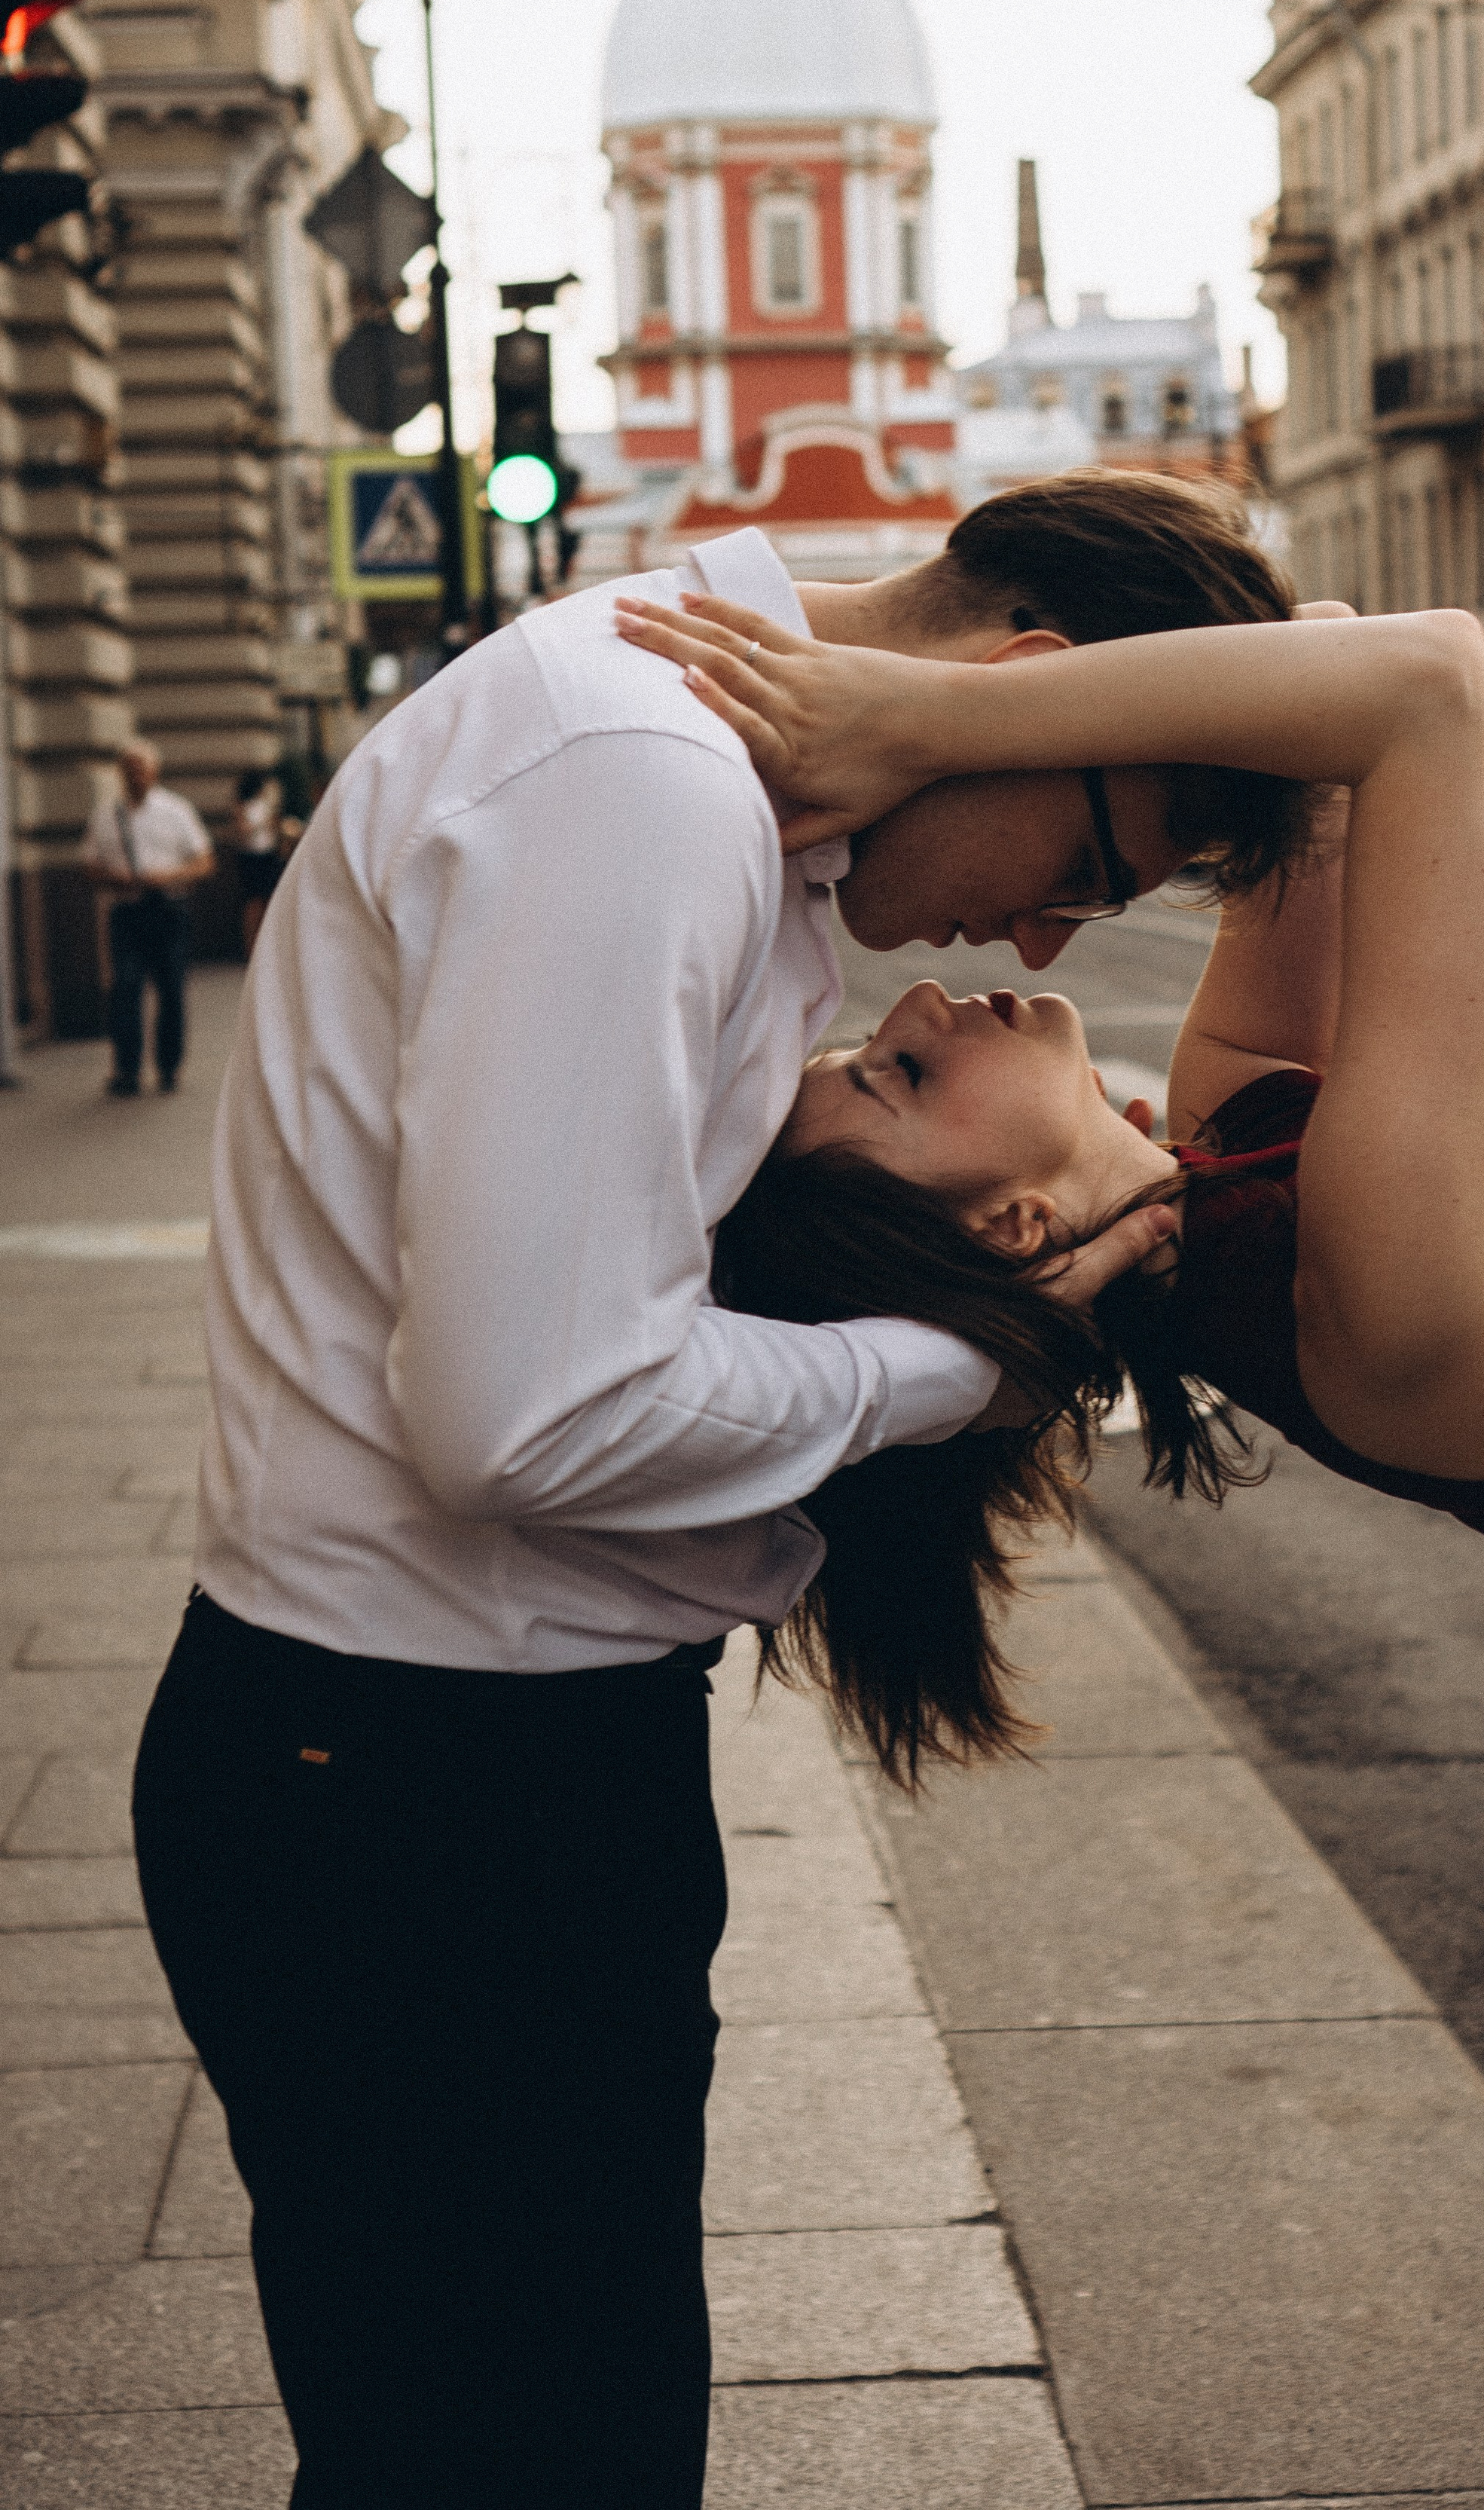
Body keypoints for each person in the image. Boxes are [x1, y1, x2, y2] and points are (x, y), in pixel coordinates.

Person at [628, 581, 1484, 2503]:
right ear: (999, 1235)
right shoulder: (1368, 1310)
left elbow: (1322, 691)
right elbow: (1419, 690)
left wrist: (1084, 683)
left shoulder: (1240, 1149)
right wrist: (910, 717)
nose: (911, 1007)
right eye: (897, 1083)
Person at [131, 469, 1314, 2510]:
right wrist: (969, 1361)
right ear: (1023, 690)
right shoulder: (650, 782)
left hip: (416, 1771)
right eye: (1100, 875)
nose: (1040, 938)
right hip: (432, 1800)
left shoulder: (689, 755)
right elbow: (529, 1413)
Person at [82, 741, 215, 1096]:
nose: (135, 775)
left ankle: (169, 1067)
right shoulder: (106, 815)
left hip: (168, 910)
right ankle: (127, 1070)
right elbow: (90, 864)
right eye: (128, 769)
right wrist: (114, 877)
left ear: (154, 772)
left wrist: (168, 877)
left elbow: (204, 861)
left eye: (141, 768)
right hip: (126, 911)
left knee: (171, 991)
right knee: (124, 989)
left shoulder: (175, 811)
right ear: (121, 774)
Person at [230, 767, 289, 958]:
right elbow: (242, 830)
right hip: (250, 857)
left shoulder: (267, 805)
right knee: (253, 903)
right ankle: (250, 948)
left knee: (269, 900)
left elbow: (275, 828)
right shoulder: (243, 806)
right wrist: (260, 824)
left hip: (268, 854)